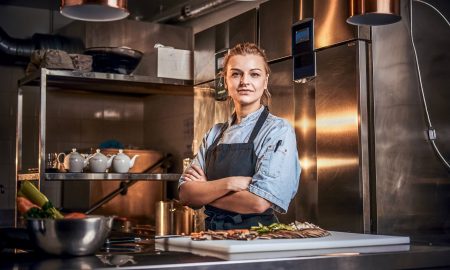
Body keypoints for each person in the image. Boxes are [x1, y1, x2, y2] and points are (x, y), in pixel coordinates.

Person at [178, 42, 301, 230]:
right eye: (236, 74)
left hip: (257, 241)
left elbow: (258, 203)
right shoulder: (214, 134)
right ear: (225, 81)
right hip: (213, 239)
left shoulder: (278, 130)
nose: (245, 81)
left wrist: (206, 190)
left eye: (254, 74)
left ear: (265, 81)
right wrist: (231, 183)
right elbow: (186, 194)